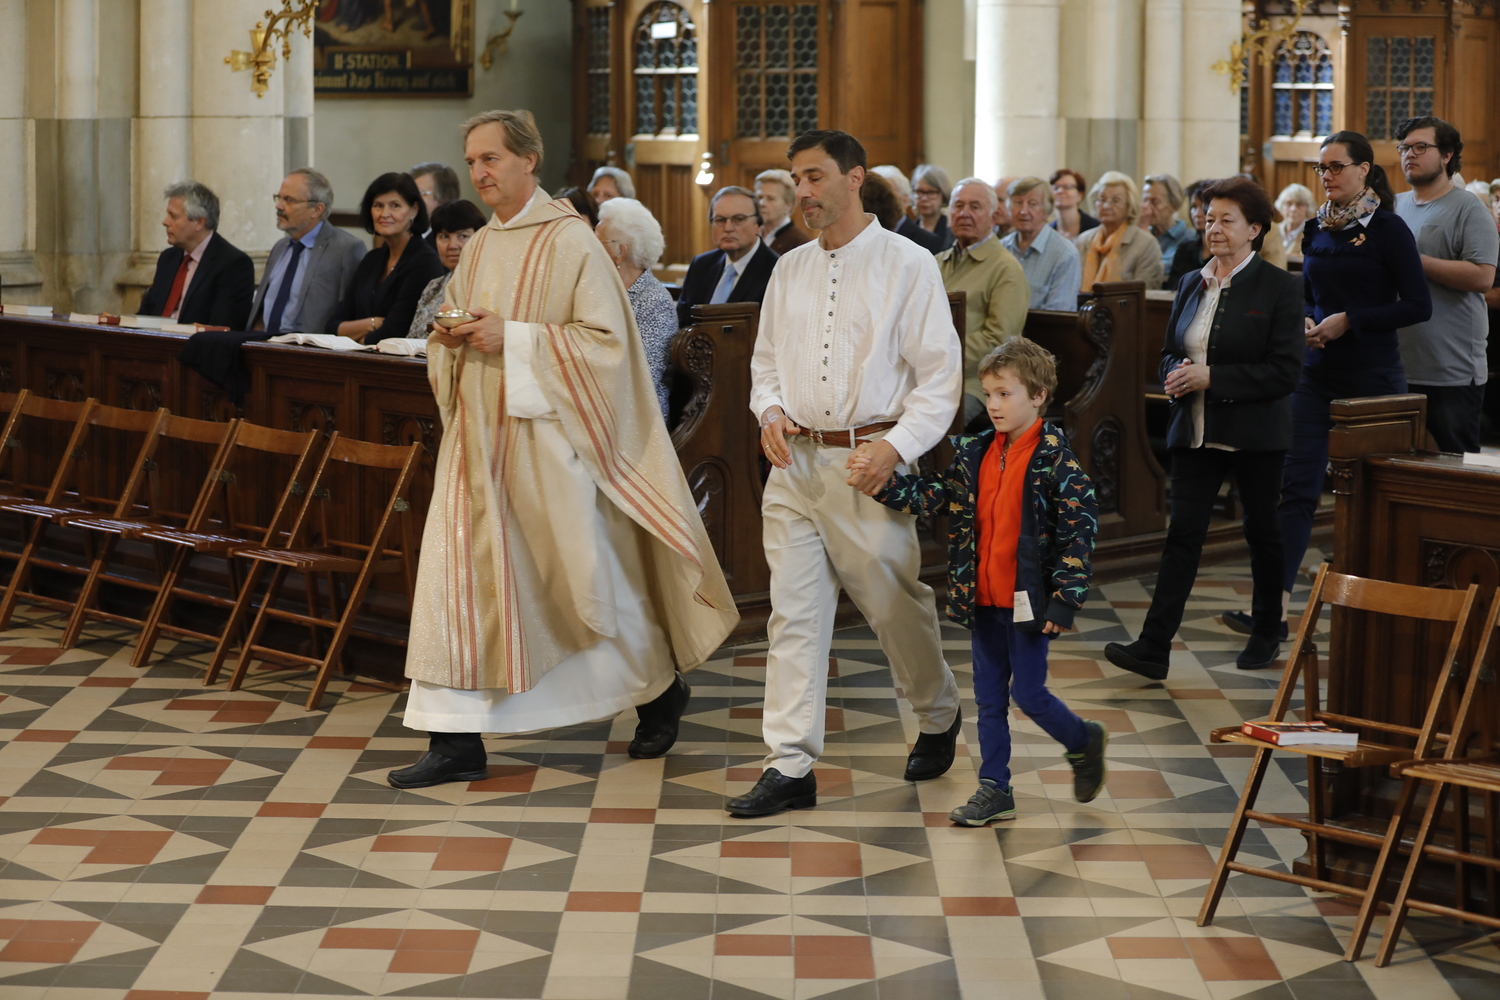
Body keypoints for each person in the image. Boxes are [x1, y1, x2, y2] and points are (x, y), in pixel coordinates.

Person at [389, 109, 737, 790]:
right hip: (478, 444)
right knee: (457, 584)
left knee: (582, 584)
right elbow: (454, 321)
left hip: (551, 445)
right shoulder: (482, 246)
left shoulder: (573, 242)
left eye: (491, 158)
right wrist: (449, 336)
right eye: (472, 160)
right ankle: (453, 739)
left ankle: (658, 690)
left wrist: (515, 339)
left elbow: (610, 348)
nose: (479, 172)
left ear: (529, 159)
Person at [736, 128, 963, 818]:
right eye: (795, 180)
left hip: (869, 464)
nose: (801, 192)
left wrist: (896, 448)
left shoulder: (908, 264)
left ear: (854, 177)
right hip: (795, 465)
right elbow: (765, 363)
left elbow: (940, 378)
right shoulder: (789, 268)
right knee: (794, 616)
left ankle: (938, 710)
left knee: (893, 606)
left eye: (813, 177)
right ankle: (789, 763)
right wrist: (769, 411)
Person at [859, 338, 1107, 825]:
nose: (993, 404)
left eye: (1005, 394)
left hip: (1029, 601)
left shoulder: (1057, 463)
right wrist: (882, 483)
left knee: (1028, 694)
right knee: (989, 699)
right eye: (989, 394)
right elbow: (937, 495)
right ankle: (995, 788)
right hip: (983, 600)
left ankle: (1083, 740)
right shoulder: (975, 454)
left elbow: (1078, 534)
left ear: (1038, 396)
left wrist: (1065, 601)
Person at [1221, 131, 1430, 644]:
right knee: (1295, 489)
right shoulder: (1316, 227)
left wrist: (1350, 320)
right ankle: (1271, 613)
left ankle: (1380, 615)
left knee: (1374, 498)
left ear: (1363, 169)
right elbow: (1311, 294)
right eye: (1322, 168)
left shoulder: (1389, 229)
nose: (1327, 176)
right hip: (1314, 376)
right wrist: (1310, 321)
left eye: (1336, 167)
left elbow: (1417, 305)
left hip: (1373, 379)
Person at [1104, 178, 1305, 681]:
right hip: (1194, 428)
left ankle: (1267, 628)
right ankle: (1154, 647)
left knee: (1262, 531)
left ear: (1254, 229)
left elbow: (1285, 372)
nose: (1213, 227)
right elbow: (1172, 349)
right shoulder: (1192, 282)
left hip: (1255, 433)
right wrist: (1174, 370)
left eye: (1226, 220)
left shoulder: (1280, 287)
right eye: (1209, 218)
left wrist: (1213, 377)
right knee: (1183, 535)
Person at [1392, 116, 1499, 454]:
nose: (1410, 154)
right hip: (1396, 361)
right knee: (1395, 465)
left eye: (1421, 147)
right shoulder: (1393, 206)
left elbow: (1482, 277)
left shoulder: (1469, 207)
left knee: (1453, 466)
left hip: (1450, 367)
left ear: (1447, 155)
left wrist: (1415, 261)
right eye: (1404, 148)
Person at [937, 177, 1030, 429]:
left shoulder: (1005, 268)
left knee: (936, 421)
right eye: (958, 206)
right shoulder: (936, 262)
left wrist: (938, 354)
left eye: (975, 207)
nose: (964, 213)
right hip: (928, 373)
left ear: (994, 217)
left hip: (976, 381)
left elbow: (999, 340)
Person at [325, 172, 445, 342]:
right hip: (359, 355)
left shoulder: (424, 262)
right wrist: (373, 323)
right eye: (378, 205)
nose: (384, 214)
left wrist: (356, 337)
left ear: (414, 210)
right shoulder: (371, 259)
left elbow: (395, 331)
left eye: (395, 206)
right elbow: (332, 326)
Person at [246, 168, 366, 335]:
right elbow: (263, 309)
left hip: (310, 347)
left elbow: (353, 312)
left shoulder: (346, 249)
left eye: (289, 200)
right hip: (265, 344)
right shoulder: (280, 247)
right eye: (279, 198)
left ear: (317, 209)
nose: (279, 206)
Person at [597, 196, 676, 419]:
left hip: (638, 419)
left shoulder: (654, 302)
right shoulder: (603, 292)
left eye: (597, 243)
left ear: (620, 252)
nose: (590, 251)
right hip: (602, 404)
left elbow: (642, 379)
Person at [138, 180, 254, 329]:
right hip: (154, 340)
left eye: (173, 216)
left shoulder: (233, 264)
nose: (165, 222)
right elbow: (146, 315)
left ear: (199, 222)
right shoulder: (168, 258)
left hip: (193, 343)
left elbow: (222, 329)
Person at [675, 185, 779, 327]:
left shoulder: (776, 270)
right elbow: (682, 325)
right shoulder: (701, 265)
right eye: (720, 220)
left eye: (739, 219)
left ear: (758, 226)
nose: (728, 228)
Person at [1001, 176, 1083, 311]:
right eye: (1018, 202)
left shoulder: (1065, 254)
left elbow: (1059, 313)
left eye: (1032, 204)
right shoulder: (1000, 248)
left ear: (1047, 211)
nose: (1023, 211)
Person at [408, 199, 486, 337]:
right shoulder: (433, 287)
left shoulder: (486, 286)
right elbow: (413, 337)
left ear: (480, 238)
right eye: (444, 237)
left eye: (462, 236)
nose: (452, 245)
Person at [1075, 171, 1164, 291]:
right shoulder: (1083, 241)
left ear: (1129, 205)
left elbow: (1145, 292)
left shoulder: (1146, 244)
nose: (1106, 206)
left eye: (1116, 200)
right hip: (1082, 303)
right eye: (1102, 199)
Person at [873, 165, 941, 252]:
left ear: (905, 200)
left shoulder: (927, 240)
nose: (879, 203)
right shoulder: (866, 235)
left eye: (887, 196)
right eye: (874, 197)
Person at [1166, 179, 1215, 290]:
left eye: (1203, 207)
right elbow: (1174, 287)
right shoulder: (1184, 251)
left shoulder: (1225, 253)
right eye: (1193, 207)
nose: (1197, 214)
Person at [1141, 174, 1193, 276]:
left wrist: (1145, 234)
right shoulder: (1142, 232)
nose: (1147, 207)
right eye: (1145, 200)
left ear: (1174, 206)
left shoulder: (1187, 237)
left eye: (1155, 202)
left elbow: (1160, 269)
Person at [756, 168, 811, 255]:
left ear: (788, 205)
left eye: (770, 198)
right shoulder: (751, 233)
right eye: (759, 197)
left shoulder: (799, 242)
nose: (761, 203)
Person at [912, 163, 956, 251]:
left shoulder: (953, 233)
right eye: (920, 192)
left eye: (931, 192)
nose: (924, 198)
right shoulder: (908, 231)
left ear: (943, 195)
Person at [1050, 169, 1098, 242]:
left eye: (1067, 187)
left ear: (1080, 194)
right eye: (1055, 188)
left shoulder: (1095, 227)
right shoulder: (1047, 231)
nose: (1060, 191)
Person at [1275, 183, 1316, 264]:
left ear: (1308, 208)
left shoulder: (1314, 234)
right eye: (1289, 204)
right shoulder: (1271, 231)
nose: (1293, 209)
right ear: (1281, 206)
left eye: (1299, 204)